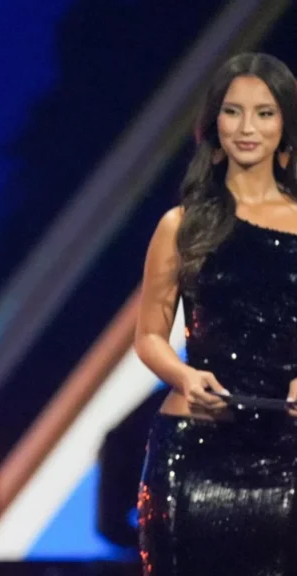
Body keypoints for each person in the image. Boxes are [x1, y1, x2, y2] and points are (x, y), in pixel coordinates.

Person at [135, 52, 297, 575]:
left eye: (265, 113)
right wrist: (184, 377)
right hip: (194, 452)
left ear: (285, 125)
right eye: (233, 111)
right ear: (215, 124)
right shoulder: (180, 225)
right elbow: (149, 336)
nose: (247, 128)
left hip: (287, 455)